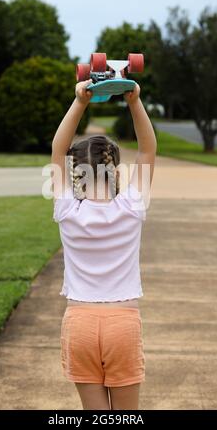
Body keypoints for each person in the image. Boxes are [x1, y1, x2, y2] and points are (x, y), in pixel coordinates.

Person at [51, 78, 157, 410]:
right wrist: (134, 100)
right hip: (121, 323)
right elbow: (148, 149)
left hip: (79, 323)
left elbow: (57, 149)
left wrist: (80, 101)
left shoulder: (67, 209)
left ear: (76, 174)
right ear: (114, 171)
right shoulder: (131, 206)